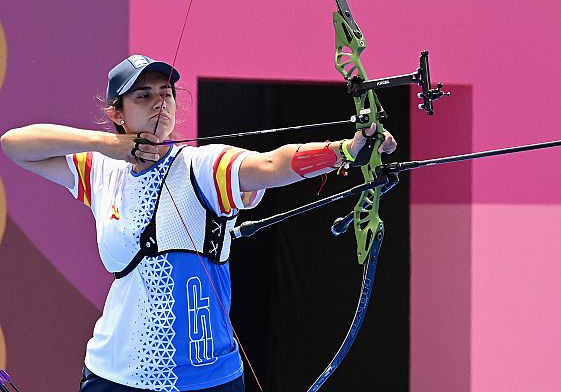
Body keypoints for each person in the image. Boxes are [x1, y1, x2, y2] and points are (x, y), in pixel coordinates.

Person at [0, 54, 397, 392]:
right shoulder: (101, 170)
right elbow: (15, 145)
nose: (160, 103)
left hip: (207, 377)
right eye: (144, 96)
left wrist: (345, 150)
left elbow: (272, 164)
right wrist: (109, 145)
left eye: (166, 93)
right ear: (117, 114)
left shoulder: (201, 166)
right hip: (113, 373)